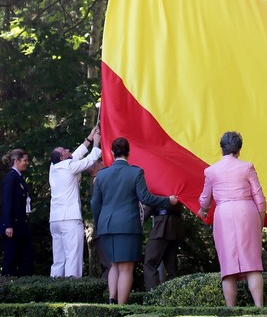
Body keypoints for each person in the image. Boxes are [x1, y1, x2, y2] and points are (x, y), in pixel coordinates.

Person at [91, 136, 178, 304]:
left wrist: (99, 223)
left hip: (106, 226)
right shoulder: (135, 172)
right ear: (128, 152)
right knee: (126, 268)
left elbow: (95, 204)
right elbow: (145, 198)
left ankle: (111, 300)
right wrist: (168, 201)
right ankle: (121, 306)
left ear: (112, 152)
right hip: (127, 225)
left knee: (113, 266)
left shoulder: (101, 175)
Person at [198, 130, 266, 307]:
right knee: (252, 263)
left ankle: (231, 310)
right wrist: (259, 222)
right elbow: (260, 198)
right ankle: (259, 307)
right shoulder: (247, 167)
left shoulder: (211, 171)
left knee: (228, 267)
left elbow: (205, 200)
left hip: (224, 213)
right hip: (247, 211)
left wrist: (203, 211)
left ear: (221, 149)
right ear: (239, 150)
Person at [49, 124, 101, 279]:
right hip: (69, 219)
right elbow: (88, 160)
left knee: (58, 259)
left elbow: (76, 156)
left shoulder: (53, 166)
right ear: (62, 157)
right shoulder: (68, 166)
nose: (67, 150)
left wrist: (89, 138)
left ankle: (55, 286)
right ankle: (72, 287)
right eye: (64, 151)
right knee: (73, 255)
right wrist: (96, 143)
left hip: (55, 219)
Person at [0, 148, 33, 276]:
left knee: (24, 259)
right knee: (11, 260)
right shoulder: (11, 178)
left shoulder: (19, 178)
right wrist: (8, 225)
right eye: (24, 160)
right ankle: (6, 288)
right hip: (13, 225)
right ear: (16, 161)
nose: (26, 163)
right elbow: (7, 202)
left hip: (20, 225)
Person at [143, 203, 184, 290]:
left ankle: (153, 296)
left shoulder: (160, 189)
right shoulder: (177, 189)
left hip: (162, 224)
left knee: (150, 263)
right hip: (175, 224)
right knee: (171, 266)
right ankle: (171, 296)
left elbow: (148, 207)